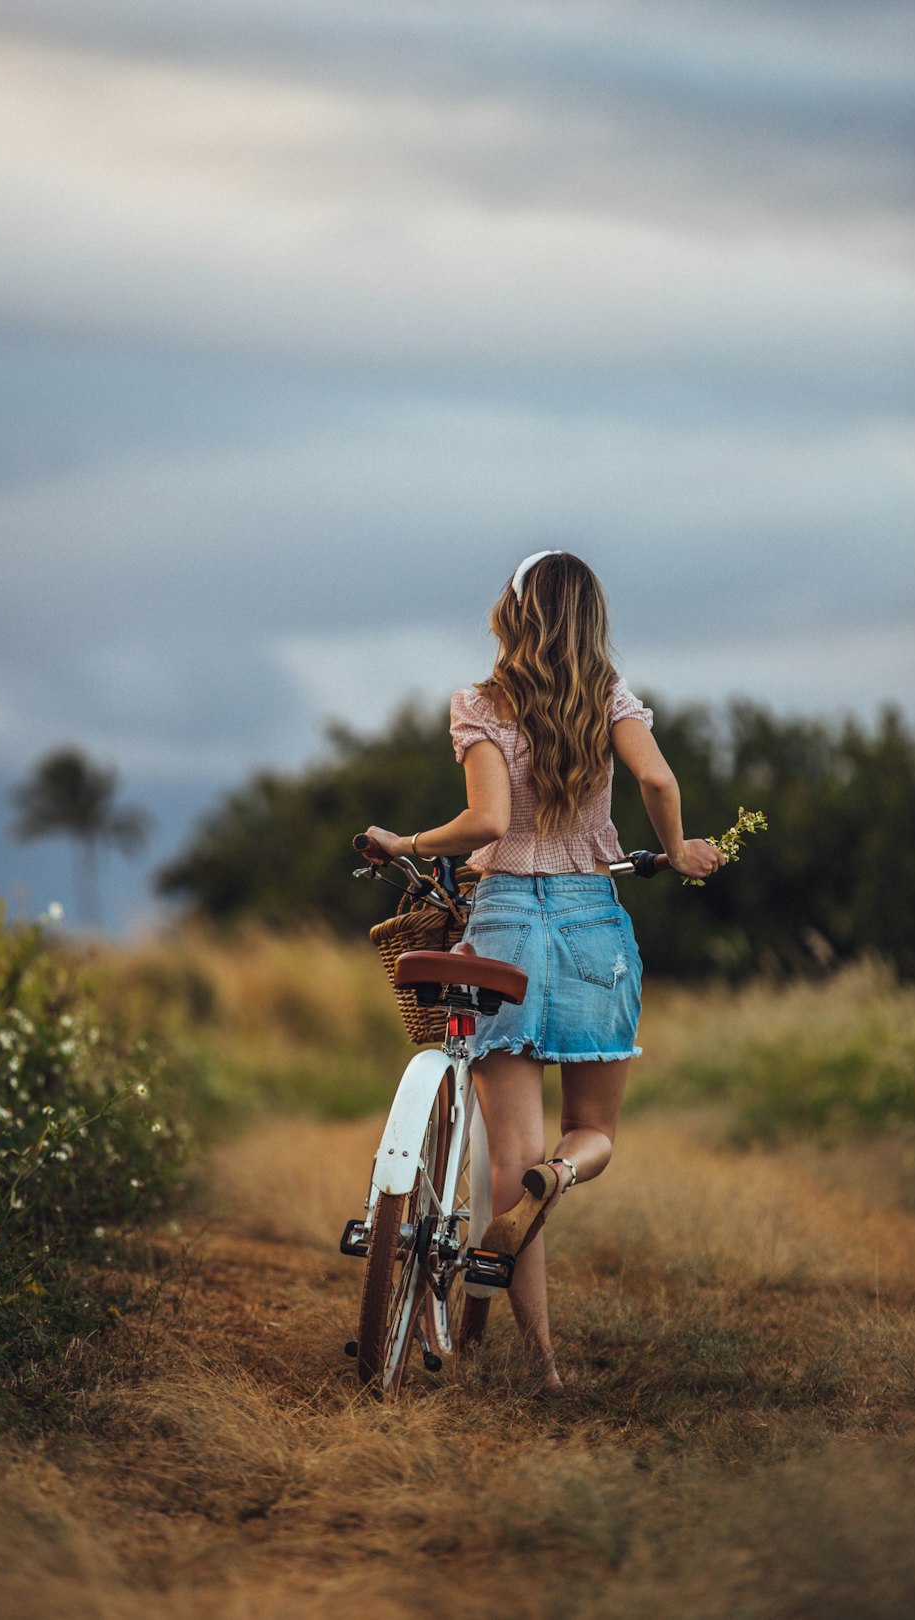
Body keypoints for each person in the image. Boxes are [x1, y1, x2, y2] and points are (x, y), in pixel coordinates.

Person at [362, 550, 724, 1392]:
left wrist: (404, 843)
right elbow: (658, 778)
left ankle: (545, 1368)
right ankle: (560, 1174)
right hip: (594, 926)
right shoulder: (609, 697)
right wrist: (677, 851)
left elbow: (486, 819)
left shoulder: (481, 705)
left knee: (504, 1163)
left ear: (514, 612)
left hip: (507, 927)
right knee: (588, 1135)